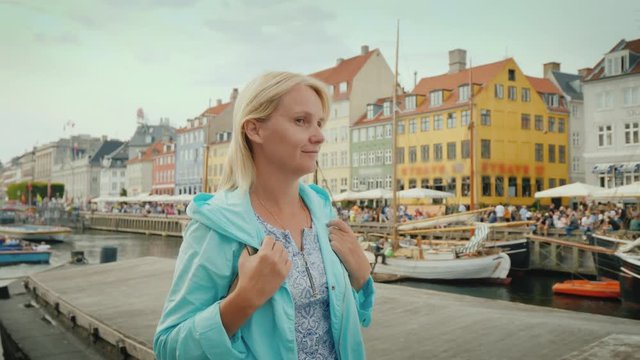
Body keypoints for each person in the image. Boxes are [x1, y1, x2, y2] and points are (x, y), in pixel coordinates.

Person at [153, 72, 374, 360]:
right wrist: (243, 300)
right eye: (301, 121)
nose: (320, 135)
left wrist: (360, 277)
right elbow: (169, 347)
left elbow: (341, 321)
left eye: (319, 122)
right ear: (255, 130)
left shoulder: (323, 214)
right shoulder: (217, 227)